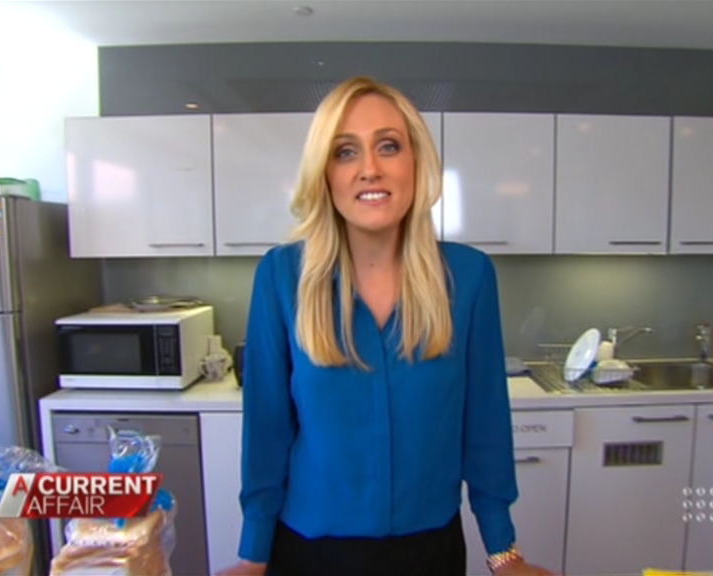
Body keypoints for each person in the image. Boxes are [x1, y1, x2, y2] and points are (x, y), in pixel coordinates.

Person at [217, 76, 556, 576]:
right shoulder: (281, 277)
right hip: (309, 553)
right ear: (324, 174)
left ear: (415, 162)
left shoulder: (469, 277)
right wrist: (252, 556)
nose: (370, 169)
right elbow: (266, 432)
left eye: (389, 146)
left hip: (430, 553)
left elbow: (485, 426)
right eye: (345, 152)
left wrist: (503, 552)